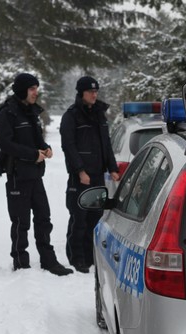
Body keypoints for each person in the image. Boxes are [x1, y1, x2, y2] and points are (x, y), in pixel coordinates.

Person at [0, 73, 73, 276]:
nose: (35, 93)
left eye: (36, 89)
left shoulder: (32, 112)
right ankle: (21, 264)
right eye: (32, 89)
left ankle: (49, 261)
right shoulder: (8, 113)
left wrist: (46, 148)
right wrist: (32, 155)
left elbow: (36, 138)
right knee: (21, 222)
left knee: (43, 218)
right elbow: (5, 144)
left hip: (35, 175)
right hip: (17, 175)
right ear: (22, 90)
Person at [59, 76, 120, 273]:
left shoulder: (100, 114)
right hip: (81, 177)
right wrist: (79, 171)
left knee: (95, 217)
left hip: (98, 175)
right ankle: (77, 258)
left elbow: (106, 144)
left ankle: (90, 255)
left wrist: (112, 167)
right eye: (90, 92)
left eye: (96, 91)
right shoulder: (71, 116)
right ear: (81, 93)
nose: (94, 94)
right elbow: (69, 146)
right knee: (79, 218)